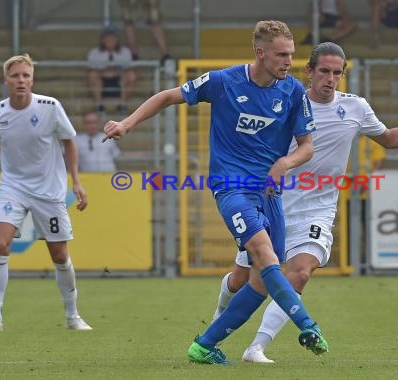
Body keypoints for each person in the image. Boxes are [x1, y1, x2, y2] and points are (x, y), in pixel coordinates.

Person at [212, 42, 398, 363]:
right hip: (272, 202)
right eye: (324, 71)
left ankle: (256, 348)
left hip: (317, 210)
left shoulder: (355, 108)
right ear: (309, 72)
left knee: (299, 272)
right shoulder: (286, 102)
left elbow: (388, 138)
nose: (330, 78)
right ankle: (217, 322)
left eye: (337, 73)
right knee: (244, 279)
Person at [102, 20, 329, 365]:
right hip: (231, 187)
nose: (288, 62)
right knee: (264, 254)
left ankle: (204, 345)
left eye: (291, 55)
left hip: (269, 194)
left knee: (262, 280)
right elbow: (168, 96)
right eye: (282, 55)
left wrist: (286, 162)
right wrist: (126, 124)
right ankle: (307, 324)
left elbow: (307, 147)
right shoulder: (224, 81)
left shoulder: (294, 92)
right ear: (260, 53)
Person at [0, 54, 92, 332]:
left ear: (32, 79)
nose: (21, 80)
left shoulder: (50, 107)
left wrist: (76, 182)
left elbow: (69, 142)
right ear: (7, 80)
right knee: (1, 244)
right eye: (15, 76)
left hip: (48, 191)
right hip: (12, 187)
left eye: (26, 75)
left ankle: (73, 315)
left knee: (59, 255)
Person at [87, 25, 137, 115]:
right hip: (102, 80)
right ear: (102, 39)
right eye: (107, 37)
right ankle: (99, 106)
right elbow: (93, 68)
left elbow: (128, 68)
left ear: (117, 39)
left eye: (113, 37)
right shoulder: (94, 52)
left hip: (119, 80)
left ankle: (122, 106)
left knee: (131, 75)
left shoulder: (125, 52)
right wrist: (106, 70)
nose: (110, 39)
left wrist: (113, 70)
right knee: (92, 75)